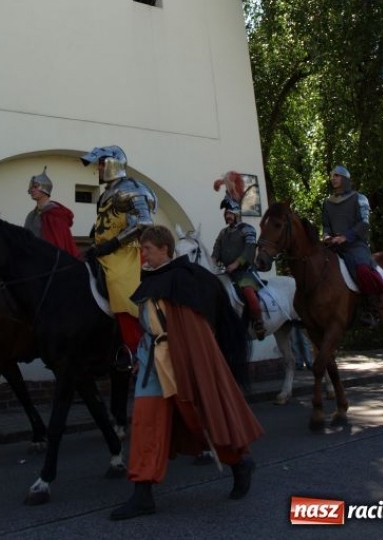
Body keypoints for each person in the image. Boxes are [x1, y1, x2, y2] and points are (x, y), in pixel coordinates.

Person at [110, 225, 263, 520]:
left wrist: (192, 363)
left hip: (181, 362)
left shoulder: (182, 280)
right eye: (142, 249)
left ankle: (239, 462)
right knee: (145, 423)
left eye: (148, 249)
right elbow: (149, 327)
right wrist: (142, 356)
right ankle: (142, 493)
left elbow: (193, 331)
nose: (143, 255)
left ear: (164, 249)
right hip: (153, 365)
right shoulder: (152, 279)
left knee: (202, 419)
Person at [81, 145, 157, 364]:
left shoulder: (132, 188)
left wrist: (113, 243)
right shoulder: (107, 193)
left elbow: (143, 223)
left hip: (126, 252)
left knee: (118, 284)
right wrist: (96, 241)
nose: (98, 169)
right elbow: (105, 223)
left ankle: (135, 349)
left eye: (101, 164)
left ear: (113, 164)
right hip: (104, 251)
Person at [322, 165, 383, 328]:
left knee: (363, 270)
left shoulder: (360, 198)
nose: (333, 178)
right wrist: (327, 236)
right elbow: (326, 226)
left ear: (345, 179)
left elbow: (364, 223)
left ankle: (372, 309)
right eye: (332, 176)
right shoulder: (327, 203)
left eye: (337, 175)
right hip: (334, 246)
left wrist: (345, 237)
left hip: (356, 245)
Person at [211, 191, 266, 340]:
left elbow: (249, 250)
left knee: (249, 293)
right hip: (227, 273)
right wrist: (211, 264)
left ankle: (258, 322)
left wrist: (236, 263)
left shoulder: (247, 229)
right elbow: (216, 252)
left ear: (237, 214)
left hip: (245, 272)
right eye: (226, 213)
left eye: (230, 213)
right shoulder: (223, 233)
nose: (227, 216)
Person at [23, 166, 80, 258]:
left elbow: (58, 246)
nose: (32, 190)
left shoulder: (56, 215)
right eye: (32, 187)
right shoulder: (31, 215)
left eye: (36, 186)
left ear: (45, 188)